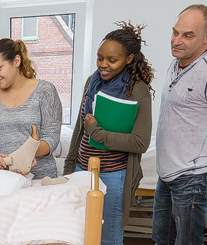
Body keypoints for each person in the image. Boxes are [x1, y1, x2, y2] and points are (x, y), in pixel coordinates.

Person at [63, 21, 154, 244]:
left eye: (112, 60)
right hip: (81, 168)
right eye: (100, 58)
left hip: (113, 174)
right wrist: (70, 165)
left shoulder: (137, 90)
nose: (104, 65)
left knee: (109, 237)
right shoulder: (92, 82)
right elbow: (79, 129)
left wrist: (97, 131)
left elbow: (140, 142)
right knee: (77, 232)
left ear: (129, 59)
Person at [152, 4, 207, 245]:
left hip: (194, 175)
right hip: (167, 173)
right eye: (175, 32)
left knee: (186, 242)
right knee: (161, 239)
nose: (177, 41)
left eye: (188, 35)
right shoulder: (175, 65)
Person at [0, 38, 62, 180]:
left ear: (16, 61)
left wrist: (28, 154)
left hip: (40, 177)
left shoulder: (45, 91)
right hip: (0, 178)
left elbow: (52, 138)